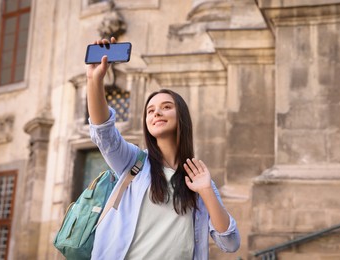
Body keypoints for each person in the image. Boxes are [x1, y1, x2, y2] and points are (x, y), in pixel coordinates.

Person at [87, 37, 240, 259]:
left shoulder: (199, 180)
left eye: (166, 107)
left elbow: (231, 243)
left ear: (182, 118)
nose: (156, 113)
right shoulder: (133, 162)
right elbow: (103, 133)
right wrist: (94, 80)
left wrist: (206, 191)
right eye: (150, 110)